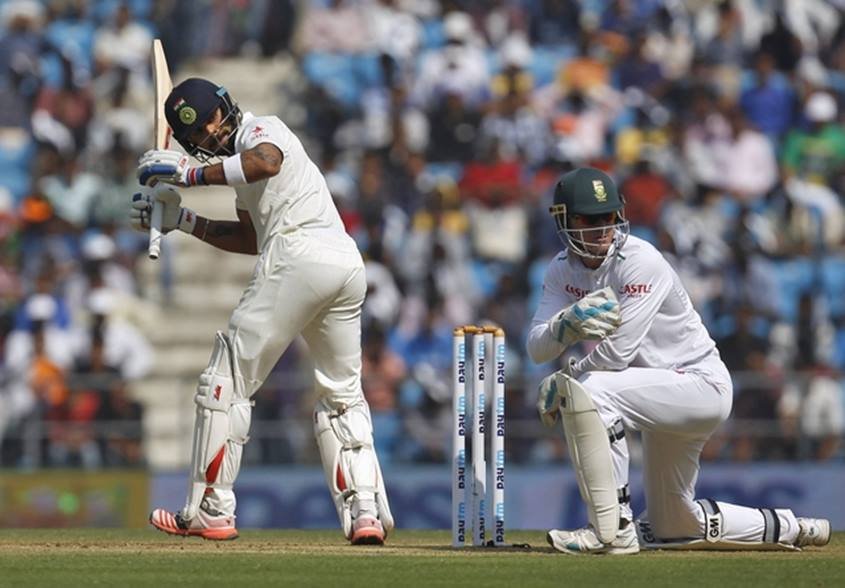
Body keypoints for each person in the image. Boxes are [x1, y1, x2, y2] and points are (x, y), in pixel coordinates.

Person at [131, 77, 393, 544]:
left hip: (298, 254)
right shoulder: (240, 165)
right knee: (341, 394)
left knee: (225, 380)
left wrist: (188, 177)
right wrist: (184, 220)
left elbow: (265, 163)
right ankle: (365, 512)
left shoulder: (261, 131)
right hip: (344, 265)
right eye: (197, 134)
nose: (210, 131)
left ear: (226, 105)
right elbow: (252, 238)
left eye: (211, 116)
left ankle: (211, 508)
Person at [528, 167, 831, 554]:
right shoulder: (559, 270)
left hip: (700, 383)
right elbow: (538, 347)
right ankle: (794, 527)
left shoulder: (641, 260)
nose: (602, 229)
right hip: (659, 393)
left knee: (588, 389)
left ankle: (611, 530)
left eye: (608, 217)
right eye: (589, 219)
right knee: (673, 523)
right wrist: (566, 325)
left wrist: (567, 376)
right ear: (564, 220)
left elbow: (618, 355)